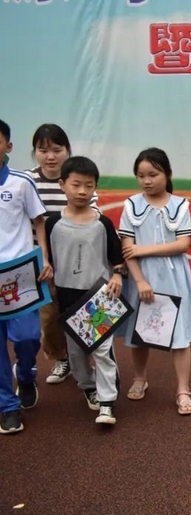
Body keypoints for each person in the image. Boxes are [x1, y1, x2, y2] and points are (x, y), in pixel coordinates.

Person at [45, 156, 126, 426]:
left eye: (88, 186)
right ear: (62, 185)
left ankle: (107, 402)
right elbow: (48, 259)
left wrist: (118, 275)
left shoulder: (103, 223)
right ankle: (88, 386)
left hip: (97, 297)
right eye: (76, 184)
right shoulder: (52, 223)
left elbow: (117, 258)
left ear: (95, 188)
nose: (82, 191)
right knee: (76, 353)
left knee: (102, 350)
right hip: (67, 296)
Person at [118, 147, 191, 415]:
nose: (147, 181)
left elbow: (183, 244)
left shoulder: (180, 205)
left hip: (174, 277)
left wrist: (143, 250)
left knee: (179, 335)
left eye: (153, 174)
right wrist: (140, 281)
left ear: (167, 174)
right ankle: (140, 378)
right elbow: (127, 250)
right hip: (142, 278)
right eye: (141, 176)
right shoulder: (131, 206)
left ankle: (183, 390)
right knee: (140, 332)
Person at [28, 124, 99, 385]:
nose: (50, 156)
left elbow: (93, 218)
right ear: (35, 152)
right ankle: (62, 358)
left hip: (76, 260)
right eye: (43, 150)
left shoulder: (78, 179)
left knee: (82, 313)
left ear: (67, 150)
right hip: (41, 262)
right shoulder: (28, 181)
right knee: (48, 318)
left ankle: (89, 363)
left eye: (57, 150)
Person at [0, 119, 53, 434]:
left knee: (27, 337)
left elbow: (39, 220)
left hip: (19, 275)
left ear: (8, 146)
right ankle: (8, 407)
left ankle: (26, 374)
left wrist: (43, 256)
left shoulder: (21, 182)